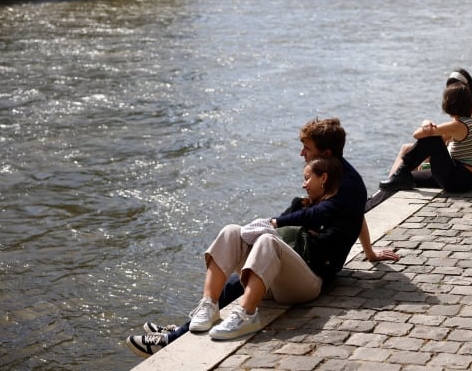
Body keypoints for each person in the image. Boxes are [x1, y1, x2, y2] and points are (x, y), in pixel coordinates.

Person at [126, 118, 398, 357]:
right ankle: (201, 312)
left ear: (326, 154)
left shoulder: (348, 185)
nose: (301, 152)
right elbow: (355, 215)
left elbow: (327, 214)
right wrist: (369, 251)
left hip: (313, 275)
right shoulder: (333, 179)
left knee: (267, 242)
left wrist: (276, 222)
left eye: (308, 148)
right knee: (233, 232)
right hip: (298, 265)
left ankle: (216, 324)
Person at [379, 83, 472, 193]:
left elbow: (417, 135)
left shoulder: (458, 126)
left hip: (456, 181)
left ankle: (402, 171)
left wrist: (425, 122)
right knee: (411, 177)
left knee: (433, 140)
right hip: (464, 179)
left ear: (449, 103)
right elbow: (442, 138)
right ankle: (401, 176)